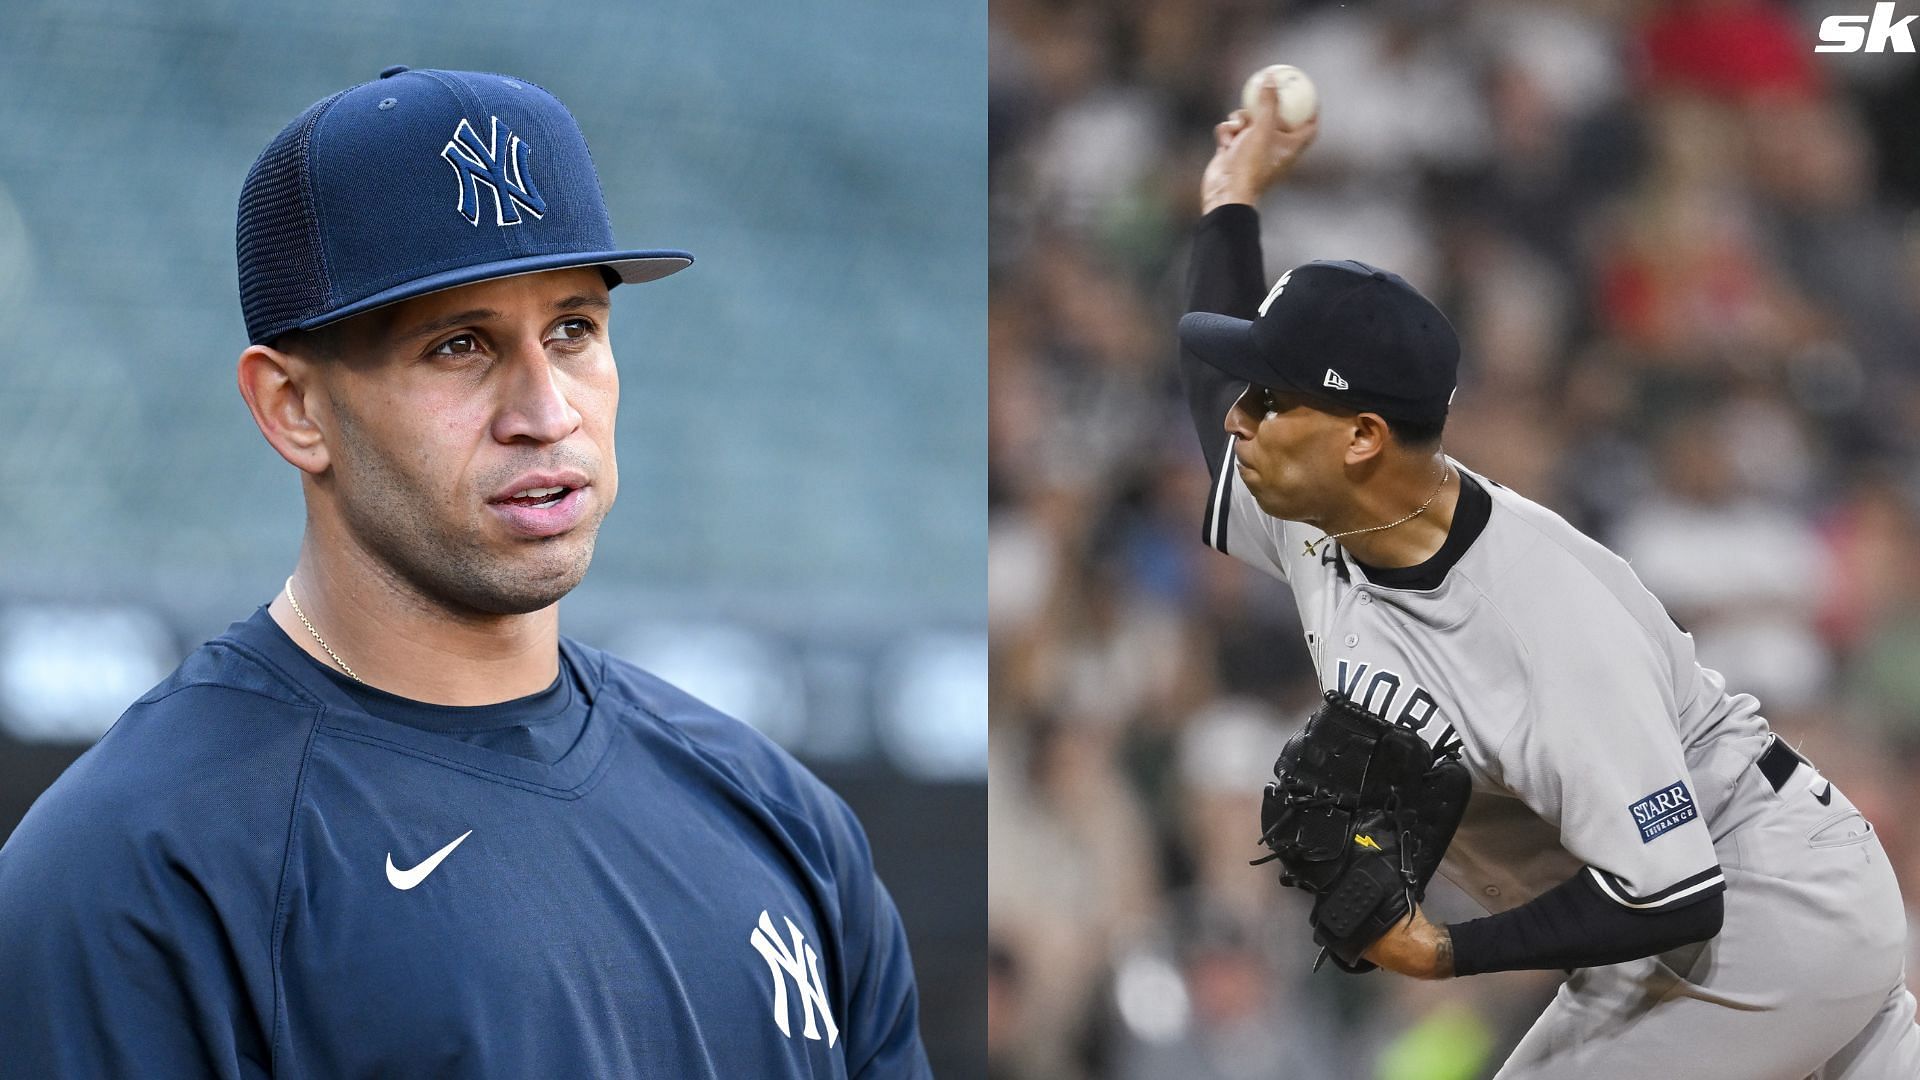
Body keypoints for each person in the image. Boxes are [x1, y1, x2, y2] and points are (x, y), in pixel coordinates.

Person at [0, 67, 929, 1079]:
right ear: (292, 410)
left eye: (573, 329)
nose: (546, 407)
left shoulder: (779, 819)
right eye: (460, 345)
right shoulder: (134, 868)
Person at [1173, 82, 1920, 1078]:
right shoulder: (1322, 509)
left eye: (1273, 402)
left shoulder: (1540, 613)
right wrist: (1233, 193)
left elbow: (1674, 892)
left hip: (1763, 905)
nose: (1241, 422)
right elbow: (1209, 393)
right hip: (1696, 926)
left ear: (1362, 437)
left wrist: (1440, 952)